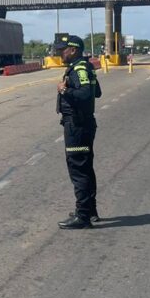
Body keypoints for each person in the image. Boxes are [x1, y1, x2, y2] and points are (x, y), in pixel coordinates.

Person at [53, 35, 102, 229]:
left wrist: (64, 91)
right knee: (86, 168)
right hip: (84, 124)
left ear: (73, 50)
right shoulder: (85, 67)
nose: (60, 53)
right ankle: (90, 210)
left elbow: (86, 94)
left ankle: (82, 217)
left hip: (77, 126)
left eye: (62, 49)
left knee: (79, 169)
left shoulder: (79, 69)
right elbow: (97, 91)